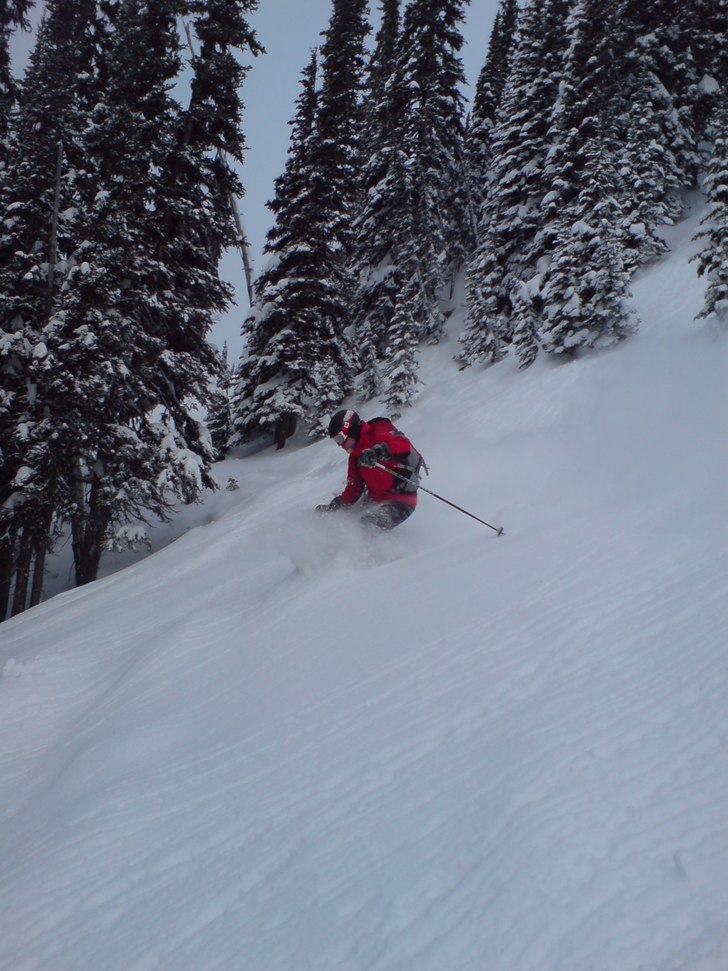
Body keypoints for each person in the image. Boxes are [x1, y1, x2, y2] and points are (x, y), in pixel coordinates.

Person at [316, 409, 423, 529]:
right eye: (336, 441)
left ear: (352, 430)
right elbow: (354, 488)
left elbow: (403, 445)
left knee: (368, 525)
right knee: (353, 523)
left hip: (401, 500)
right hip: (373, 501)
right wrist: (335, 506)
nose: (340, 445)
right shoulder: (355, 457)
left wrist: (379, 451)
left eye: (340, 438)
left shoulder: (378, 433)